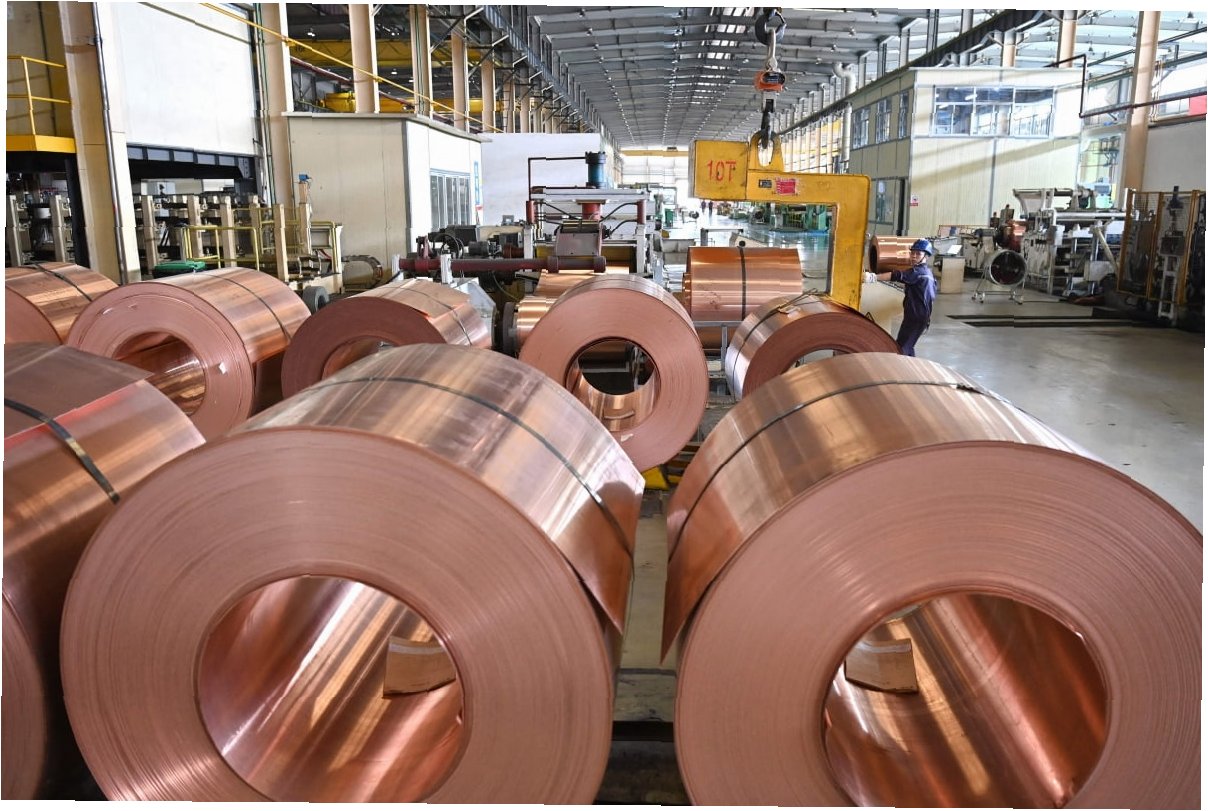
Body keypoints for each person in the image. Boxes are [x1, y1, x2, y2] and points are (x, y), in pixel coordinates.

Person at [864, 238, 937, 357]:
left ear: (926, 256)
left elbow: (897, 275)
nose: (914, 256)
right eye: (912, 253)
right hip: (918, 316)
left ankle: (902, 367)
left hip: (916, 317)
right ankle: (910, 364)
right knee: (907, 345)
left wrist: (873, 277)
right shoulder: (927, 273)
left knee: (902, 347)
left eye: (918, 254)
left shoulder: (918, 272)